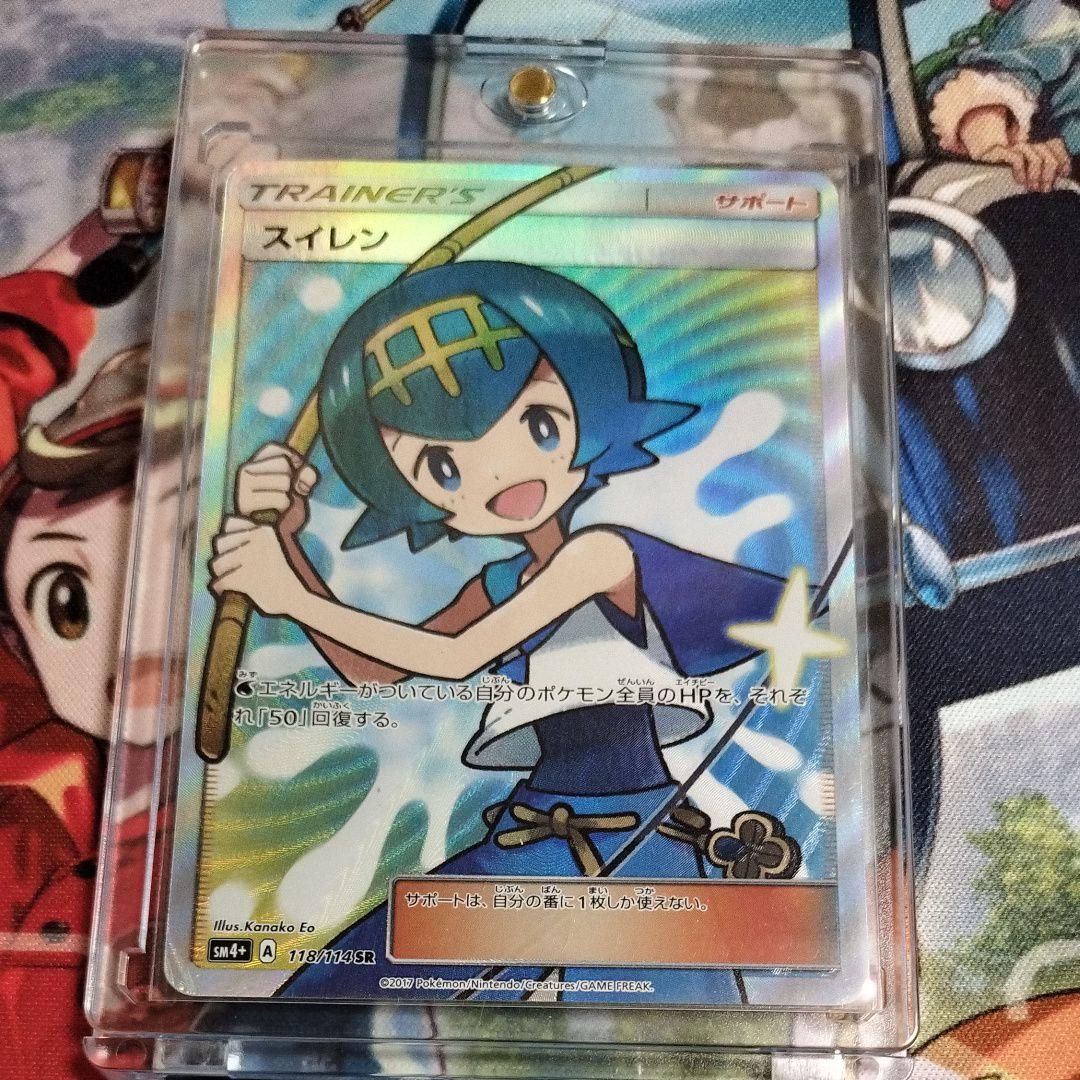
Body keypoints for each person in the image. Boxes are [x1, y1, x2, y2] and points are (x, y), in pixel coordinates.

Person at [211, 261, 809, 1002]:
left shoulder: (600, 555)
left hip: (635, 839)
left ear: (590, 410)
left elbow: (456, 656)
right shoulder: (499, 585)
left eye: (537, 424)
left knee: (674, 1016)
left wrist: (287, 594)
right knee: (341, 987)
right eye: (442, 466)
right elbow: (375, 672)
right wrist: (290, 547)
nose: (500, 473)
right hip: (535, 832)